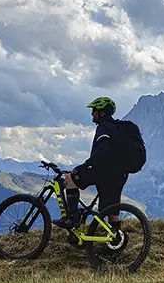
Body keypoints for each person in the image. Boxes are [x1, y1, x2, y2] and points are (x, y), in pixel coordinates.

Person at [53, 96, 129, 238]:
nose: (92, 113)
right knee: (111, 209)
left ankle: (71, 219)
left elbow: (102, 153)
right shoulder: (118, 128)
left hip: (104, 170)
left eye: (94, 110)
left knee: (70, 179)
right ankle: (115, 241)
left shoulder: (103, 127)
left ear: (102, 112)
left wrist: (85, 166)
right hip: (120, 173)